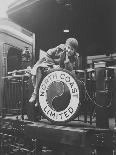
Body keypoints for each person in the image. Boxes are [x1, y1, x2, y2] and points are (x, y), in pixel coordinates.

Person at [29, 37, 79, 103]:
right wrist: (52, 65)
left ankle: (39, 98)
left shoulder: (75, 58)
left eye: (72, 49)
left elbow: (71, 70)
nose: (69, 50)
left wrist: (67, 61)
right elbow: (48, 54)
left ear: (74, 51)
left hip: (61, 73)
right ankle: (35, 93)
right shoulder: (59, 48)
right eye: (68, 47)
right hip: (51, 66)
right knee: (36, 73)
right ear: (66, 46)